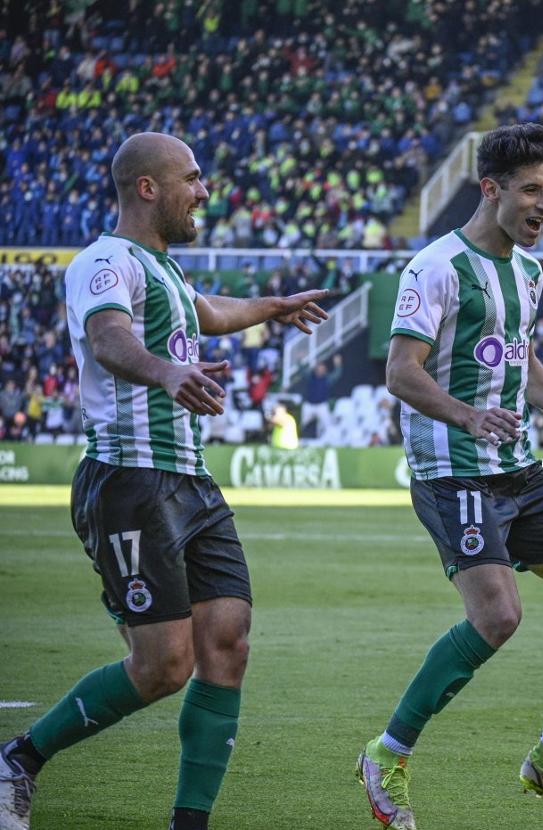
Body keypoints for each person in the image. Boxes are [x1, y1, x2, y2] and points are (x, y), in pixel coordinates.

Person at [0, 132, 330, 830]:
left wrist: (272, 308)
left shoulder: (168, 273)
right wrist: (168, 370)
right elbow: (109, 339)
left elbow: (212, 314)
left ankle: (190, 824)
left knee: (228, 642)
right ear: (148, 188)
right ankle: (19, 760)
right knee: (162, 667)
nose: (204, 192)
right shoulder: (104, 262)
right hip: (128, 478)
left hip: (191, 482)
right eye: (192, 178)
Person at [357, 123, 543, 830]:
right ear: (490, 190)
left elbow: (520, 362)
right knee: (498, 616)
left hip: (517, 470)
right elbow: (401, 371)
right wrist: (466, 416)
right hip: (453, 473)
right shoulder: (435, 267)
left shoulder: (528, 270)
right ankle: (386, 754)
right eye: (531, 190)